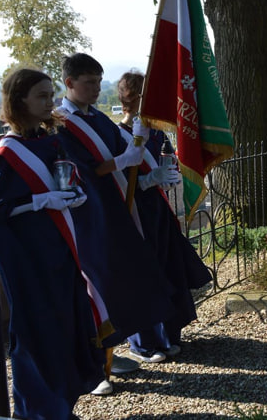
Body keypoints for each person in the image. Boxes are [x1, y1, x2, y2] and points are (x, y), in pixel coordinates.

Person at [0, 68, 105, 419]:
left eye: (51, 95)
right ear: (19, 101)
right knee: (39, 334)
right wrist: (37, 203)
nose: (50, 102)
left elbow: (68, 175)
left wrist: (73, 193)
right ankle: (38, 410)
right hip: (31, 261)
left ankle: (62, 405)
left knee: (67, 328)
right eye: (41, 96)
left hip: (61, 254)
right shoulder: (8, 154)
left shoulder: (50, 140)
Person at [56, 53, 176, 394]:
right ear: (69, 83)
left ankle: (111, 354)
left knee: (120, 281)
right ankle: (96, 369)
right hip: (88, 213)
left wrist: (136, 145)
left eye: (98, 81)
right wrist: (122, 160)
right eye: (88, 82)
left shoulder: (98, 118)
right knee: (95, 287)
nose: (96, 88)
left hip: (115, 208)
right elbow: (82, 168)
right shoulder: (62, 122)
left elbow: (124, 152)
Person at [116, 70, 213, 361]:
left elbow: (166, 160)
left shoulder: (156, 133)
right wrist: (147, 180)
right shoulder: (116, 134)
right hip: (135, 212)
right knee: (144, 275)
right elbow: (116, 178)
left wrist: (165, 176)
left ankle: (167, 334)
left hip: (158, 210)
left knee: (167, 270)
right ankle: (144, 343)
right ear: (131, 97)